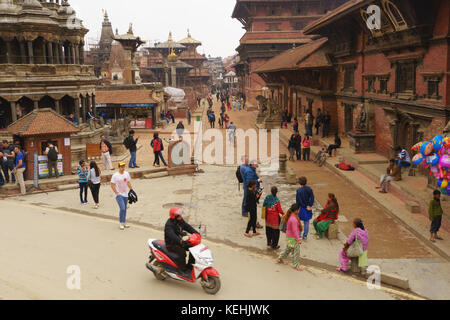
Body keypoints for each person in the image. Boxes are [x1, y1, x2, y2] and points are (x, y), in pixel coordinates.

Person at [277, 203, 303, 271]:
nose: (299, 210)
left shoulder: (290, 216)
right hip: (293, 237)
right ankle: (296, 265)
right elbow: (295, 231)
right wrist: (298, 239)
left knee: (288, 249)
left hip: (289, 236)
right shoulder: (294, 219)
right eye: (299, 209)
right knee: (296, 251)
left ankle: (280, 258)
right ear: (296, 210)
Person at [111, 162, 133, 230]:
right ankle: (121, 223)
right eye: (121, 167)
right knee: (122, 208)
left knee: (125, 209)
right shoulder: (115, 175)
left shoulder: (126, 174)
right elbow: (112, 185)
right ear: (119, 167)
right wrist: (117, 193)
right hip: (119, 195)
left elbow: (128, 182)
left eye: (123, 166)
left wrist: (131, 189)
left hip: (125, 194)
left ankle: (124, 222)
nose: (123, 168)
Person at [296, 176, 315, 241]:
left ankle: (299, 235)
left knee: (299, 222)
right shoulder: (309, 189)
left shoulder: (299, 190)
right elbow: (312, 198)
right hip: (308, 208)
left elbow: (298, 201)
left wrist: (299, 207)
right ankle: (305, 236)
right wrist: (309, 205)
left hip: (301, 208)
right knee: (306, 222)